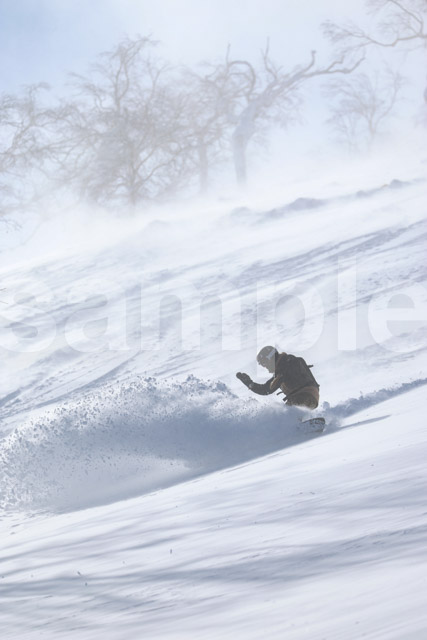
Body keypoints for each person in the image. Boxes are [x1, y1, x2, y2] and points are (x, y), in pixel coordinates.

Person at [236, 345, 320, 410]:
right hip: (313, 398)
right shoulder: (288, 361)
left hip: (301, 397)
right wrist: (250, 384)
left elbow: (266, 390)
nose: (265, 367)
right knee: (290, 416)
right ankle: (305, 424)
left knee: (284, 418)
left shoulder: (283, 367)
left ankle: (298, 426)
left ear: (270, 359)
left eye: (264, 363)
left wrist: (250, 384)